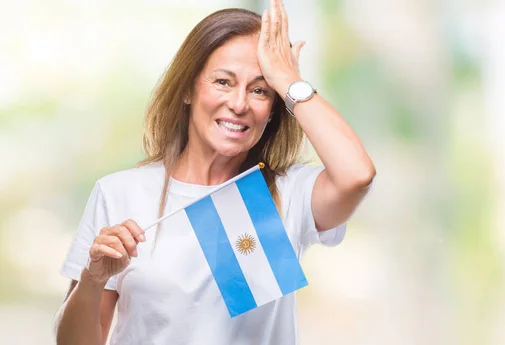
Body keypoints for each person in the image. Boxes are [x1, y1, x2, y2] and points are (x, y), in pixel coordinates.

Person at [54, 1, 375, 344]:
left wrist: (287, 78)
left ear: (273, 108)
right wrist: (92, 279)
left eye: (259, 90)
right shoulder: (121, 194)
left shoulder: (286, 193)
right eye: (223, 82)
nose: (239, 104)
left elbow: (357, 175)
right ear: (189, 89)